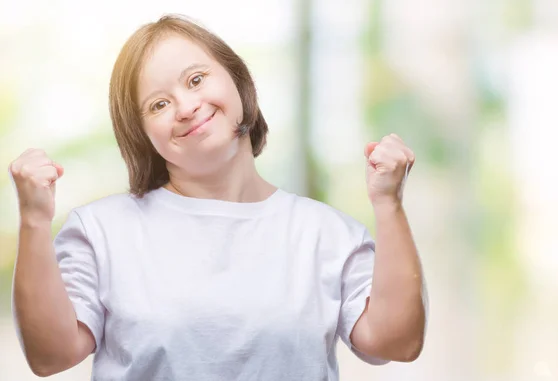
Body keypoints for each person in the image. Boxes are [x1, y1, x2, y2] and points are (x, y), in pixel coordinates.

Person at [9, 14, 427, 381]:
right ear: (143, 136)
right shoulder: (101, 231)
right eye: (158, 104)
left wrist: (389, 205)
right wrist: (33, 219)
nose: (186, 107)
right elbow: (50, 356)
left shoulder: (328, 234)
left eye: (195, 80)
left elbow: (397, 343)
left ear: (238, 81)